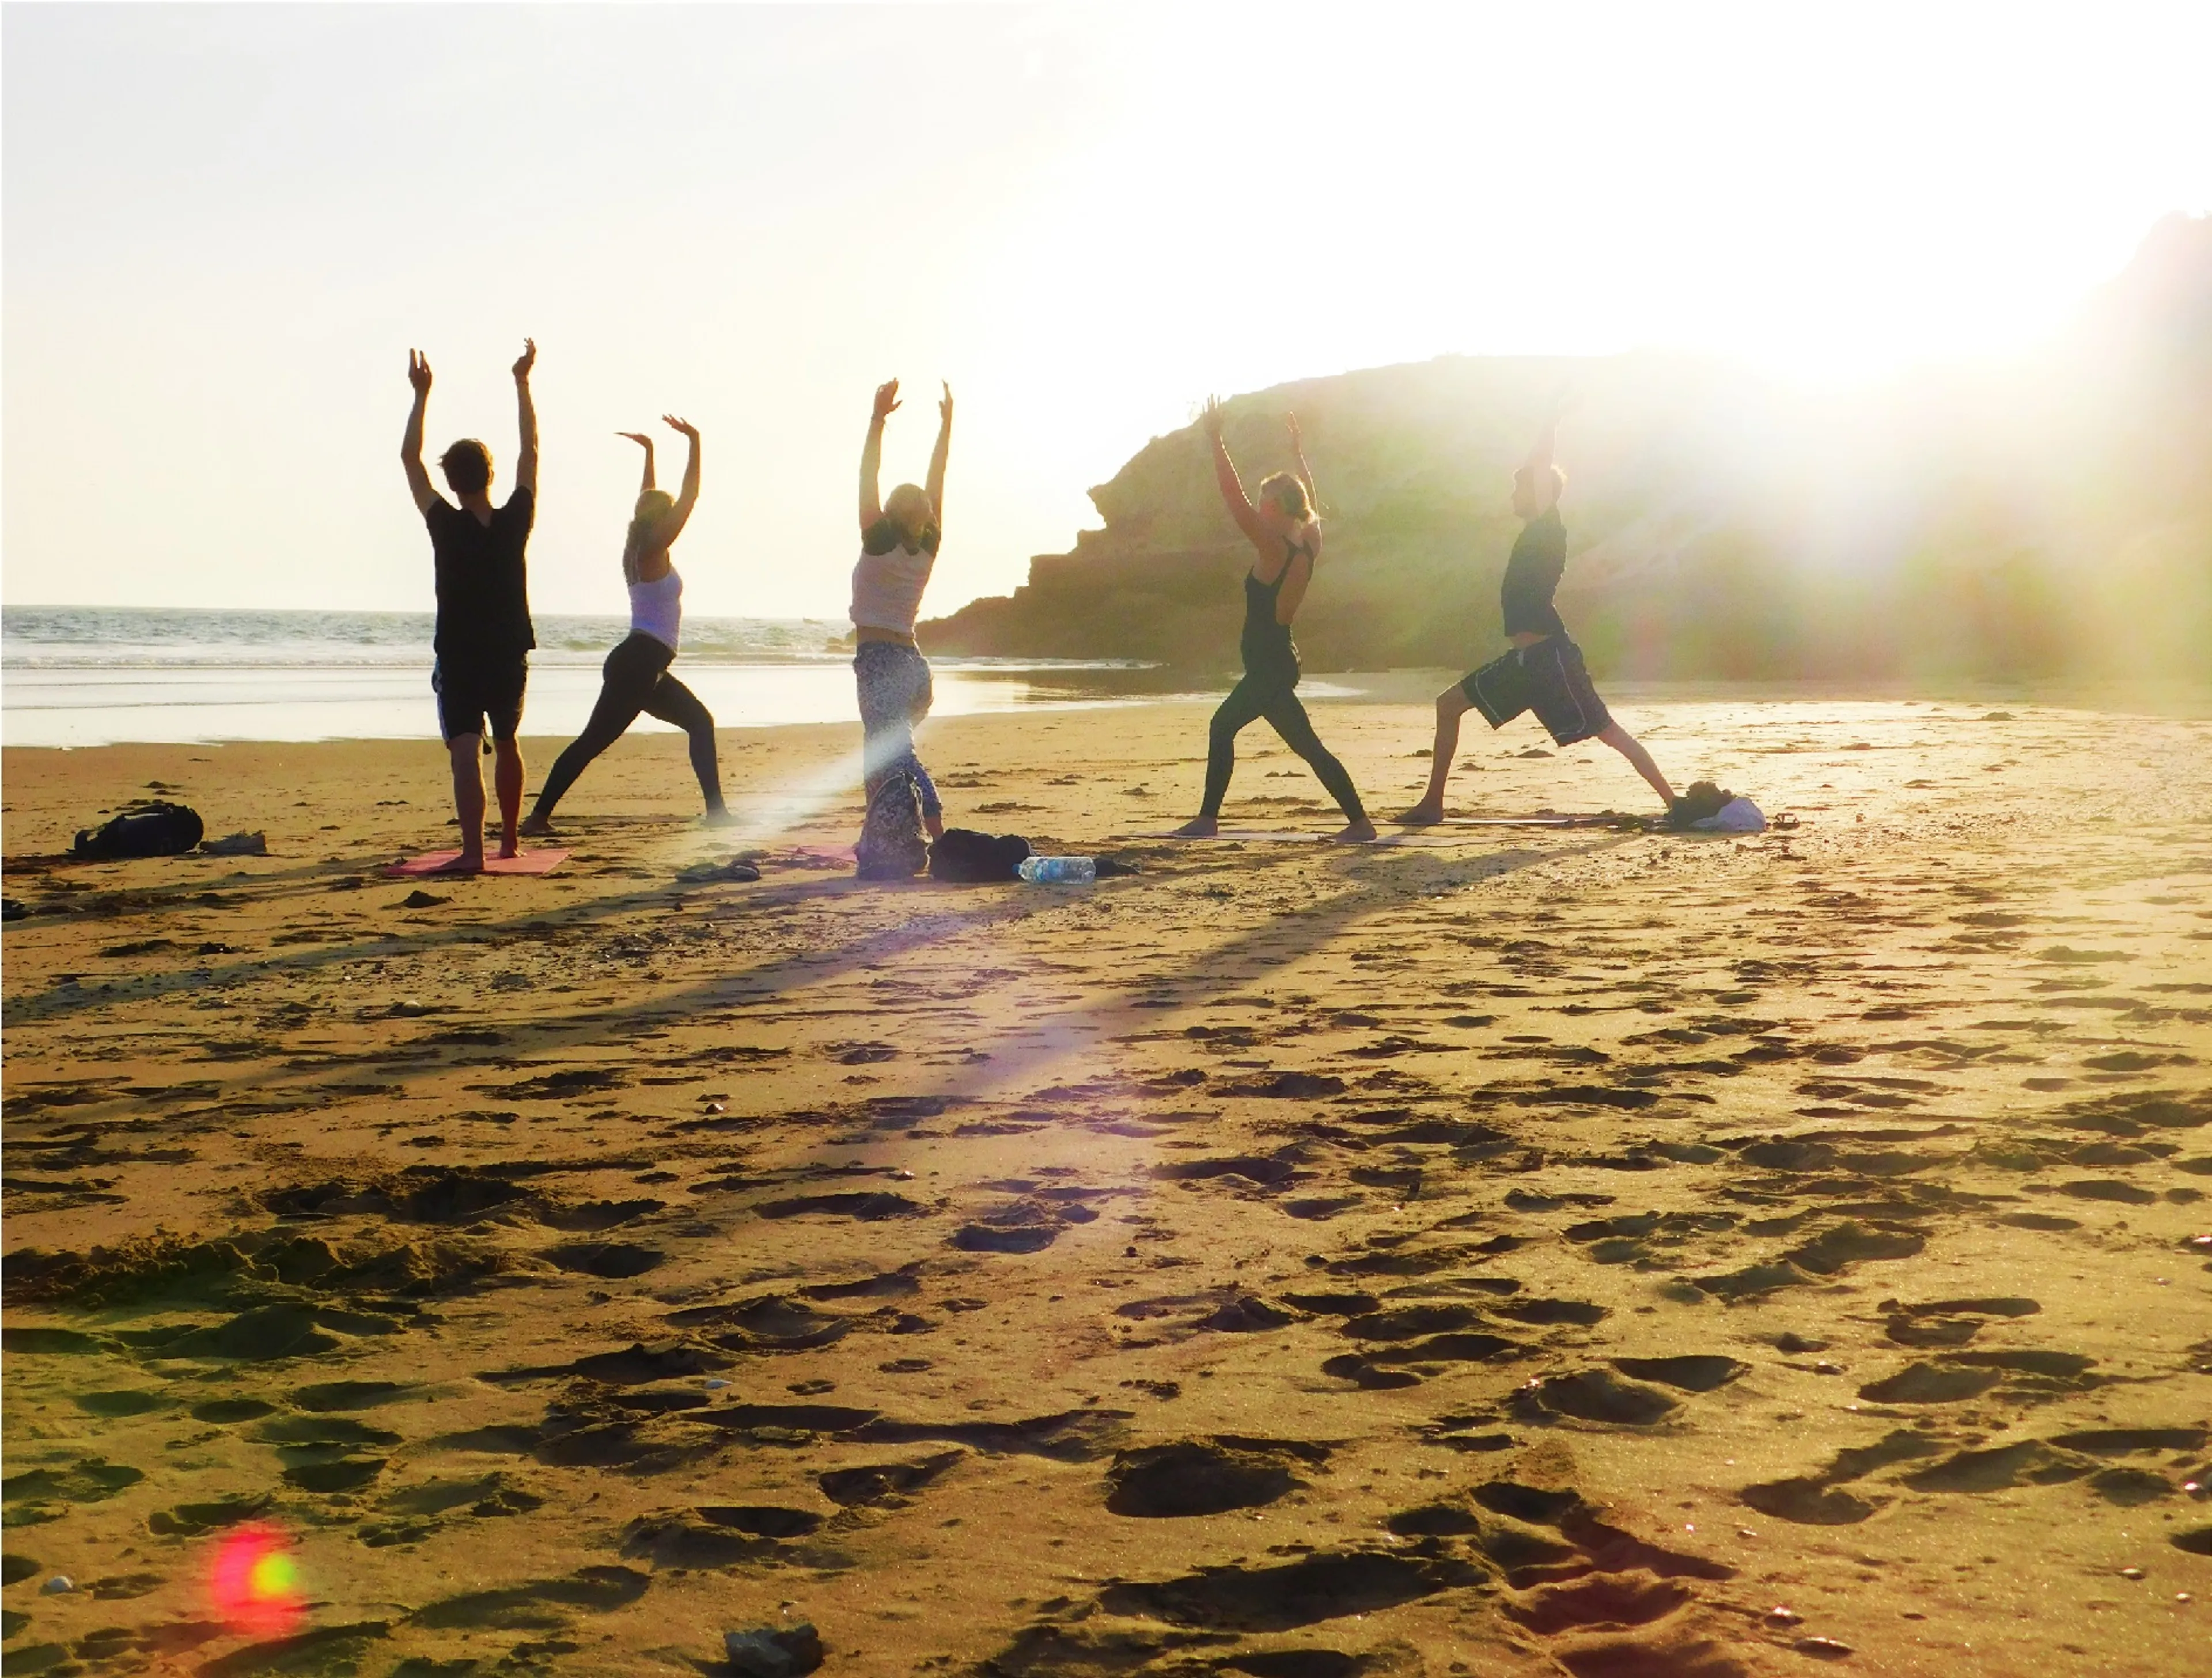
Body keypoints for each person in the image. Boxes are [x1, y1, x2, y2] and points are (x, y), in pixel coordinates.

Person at [1397, 404, 1677, 824]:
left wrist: (1550, 421)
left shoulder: (1549, 528)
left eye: (1519, 490)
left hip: (1552, 659)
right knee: (1448, 705)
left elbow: (1540, 465)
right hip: (1523, 661)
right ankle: (1433, 803)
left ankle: (1676, 805)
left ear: (1538, 493)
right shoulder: (1533, 534)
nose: (1512, 496)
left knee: (1608, 731)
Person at [1172, 398, 1374, 842]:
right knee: (1307, 745)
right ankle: (1360, 823)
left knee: (1222, 725)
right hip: (1279, 660)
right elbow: (1311, 503)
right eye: (1261, 502)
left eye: (1266, 502)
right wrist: (1299, 454)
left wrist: (1214, 438)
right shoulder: (1308, 542)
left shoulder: (1274, 549)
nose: (1259, 509)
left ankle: (1207, 819)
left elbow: (1232, 497)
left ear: (1281, 507)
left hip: (1269, 665)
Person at [520, 417, 729, 836]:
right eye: (668, 515)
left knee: (700, 722)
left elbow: (646, 500)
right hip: (638, 663)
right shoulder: (651, 548)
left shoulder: (638, 544)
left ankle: (718, 813)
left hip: (644, 664)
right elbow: (690, 497)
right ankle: (537, 817)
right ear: (661, 520)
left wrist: (650, 453)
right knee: (593, 741)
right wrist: (695, 442)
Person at [402, 339, 539, 872]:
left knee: (465, 751)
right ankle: (508, 844)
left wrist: (421, 395)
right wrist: (523, 384)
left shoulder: (444, 523)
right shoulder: (514, 521)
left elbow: (410, 460)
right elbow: (531, 453)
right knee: (506, 742)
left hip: (460, 653)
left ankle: (474, 854)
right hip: (508, 650)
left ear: (453, 482)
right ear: (489, 475)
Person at [851, 377, 953, 842]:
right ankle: (884, 830)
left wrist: (877, 421)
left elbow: (866, 477)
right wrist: (946, 428)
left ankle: (936, 831)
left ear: (891, 511)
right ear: (927, 515)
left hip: (880, 663)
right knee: (884, 751)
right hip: (914, 667)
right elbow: (939, 480)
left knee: (892, 752)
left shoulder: (877, 541)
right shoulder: (930, 546)